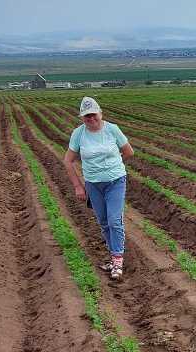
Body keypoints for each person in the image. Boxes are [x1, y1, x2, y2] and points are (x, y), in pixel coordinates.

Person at [64, 96, 134, 280]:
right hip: (93, 184)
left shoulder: (112, 130)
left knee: (114, 220)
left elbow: (128, 152)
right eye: (87, 117)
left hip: (115, 181)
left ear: (100, 114)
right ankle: (113, 257)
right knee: (103, 221)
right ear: (82, 118)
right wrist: (78, 186)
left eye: (94, 115)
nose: (91, 119)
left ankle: (118, 260)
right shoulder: (78, 134)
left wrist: (114, 164)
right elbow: (68, 161)